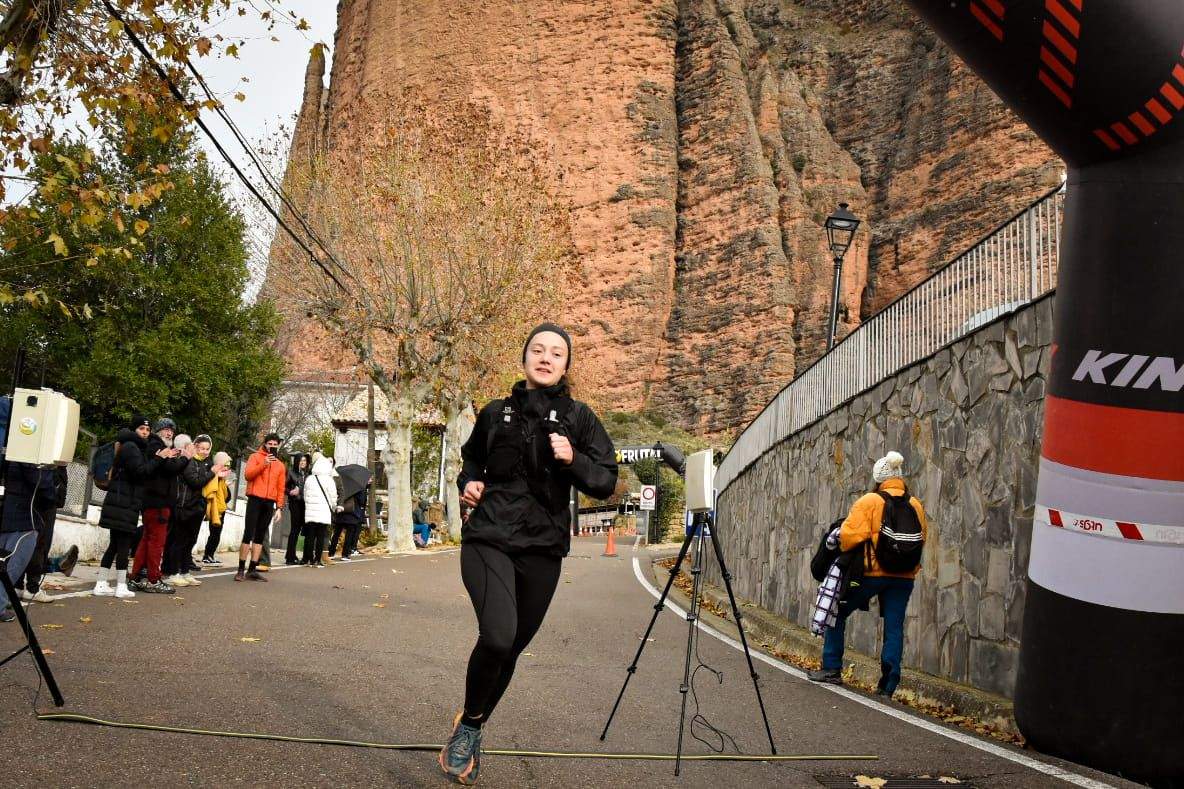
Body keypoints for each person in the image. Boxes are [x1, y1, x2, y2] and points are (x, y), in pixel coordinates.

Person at [438, 323, 617, 785]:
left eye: (556, 353)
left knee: (513, 647)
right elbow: (472, 459)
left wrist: (571, 458)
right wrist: (469, 482)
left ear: (566, 365)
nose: (545, 357)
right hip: (490, 536)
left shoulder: (580, 419)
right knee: (498, 636)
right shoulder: (495, 413)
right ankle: (470, 730)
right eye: (537, 349)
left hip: (544, 545)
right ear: (524, 359)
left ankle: (471, 722)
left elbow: (604, 481)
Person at [807, 451, 928, 697]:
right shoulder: (915, 504)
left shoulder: (869, 501)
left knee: (837, 612)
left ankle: (831, 668)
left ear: (879, 478)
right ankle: (888, 686)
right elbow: (921, 538)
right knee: (894, 626)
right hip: (904, 577)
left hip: (872, 573)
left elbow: (849, 538)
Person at [93, 416, 155, 599]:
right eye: (141, 429)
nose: (145, 432)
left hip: (122, 501)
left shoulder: (131, 446)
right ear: (134, 430)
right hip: (124, 502)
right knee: (123, 545)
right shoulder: (131, 447)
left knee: (114, 544)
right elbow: (140, 472)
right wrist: (157, 459)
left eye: (147, 430)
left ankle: (101, 583)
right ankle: (120, 585)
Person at [131, 418, 189, 594]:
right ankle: (154, 579)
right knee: (157, 541)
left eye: (171, 430)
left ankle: (136, 576)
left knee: (147, 539)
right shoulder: (157, 446)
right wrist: (186, 458)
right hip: (158, 501)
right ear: (157, 431)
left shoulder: (157, 446)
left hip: (154, 501)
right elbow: (170, 469)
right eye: (165, 429)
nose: (169, 432)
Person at [0, 461, 55, 622]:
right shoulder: (31, 450)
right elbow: (41, 484)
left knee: (6, 563)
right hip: (24, 516)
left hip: (12, 512)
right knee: (12, 566)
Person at [163, 435, 215, 588]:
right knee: (178, 541)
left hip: (197, 507)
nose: (205, 452)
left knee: (190, 541)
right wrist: (212, 473)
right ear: (194, 447)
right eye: (201, 448)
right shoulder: (189, 461)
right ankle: (172, 572)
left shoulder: (206, 463)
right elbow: (195, 481)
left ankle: (185, 570)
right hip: (184, 506)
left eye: (207, 449)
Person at [237, 432, 286, 582]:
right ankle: (240, 569)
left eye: (275, 444)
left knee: (260, 536)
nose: (272, 446)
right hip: (255, 499)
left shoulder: (280, 465)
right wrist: (264, 463)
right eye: (269, 444)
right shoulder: (255, 457)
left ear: (278, 446)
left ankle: (252, 569)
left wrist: (279, 507)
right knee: (248, 533)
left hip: (269, 502)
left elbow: (281, 487)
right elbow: (248, 475)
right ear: (265, 444)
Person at [17, 464, 68, 603]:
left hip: (34, 496)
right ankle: (32, 588)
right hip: (45, 498)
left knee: (27, 541)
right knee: (40, 544)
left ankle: (19, 585)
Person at [302, 453, 337, 567]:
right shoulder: (329, 480)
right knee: (320, 536)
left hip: (311, 512)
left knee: (310, 536)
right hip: (323, 512)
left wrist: (309, 506)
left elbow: (305, 495)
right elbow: (333, 497)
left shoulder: (310, 479)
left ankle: (308, 559)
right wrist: (333, 506)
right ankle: (318, 559)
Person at [200, 451, 233, 563]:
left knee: (216, 534)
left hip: (220, 509)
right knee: (214, 534)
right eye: (225, 465)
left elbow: (227, 497)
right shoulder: (214, 477)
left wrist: (226, 486)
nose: (227, 469)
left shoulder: (222, 480)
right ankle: (207, 556)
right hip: (215, 509)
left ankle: (210, 555)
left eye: (228, 466)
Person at [284, 453, 310, 565]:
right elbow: (283, 486)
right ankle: (290, 557)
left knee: (299, 530)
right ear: (296, 461)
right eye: (300, 460)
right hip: (295, 503)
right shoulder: (291, 472)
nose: (303, 462)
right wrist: (290, 492)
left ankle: (292, 554)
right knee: (295, 529)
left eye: (304, 461)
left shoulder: (308, 474)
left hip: (305, 504)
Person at [329, 484, 366, 562]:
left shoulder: (340, 485)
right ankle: (345, 555)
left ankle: (331, 553)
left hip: (341, 512)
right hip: (352, 513)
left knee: (336, 534)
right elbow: (362, 501)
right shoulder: (358, 486)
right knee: (349, 535)